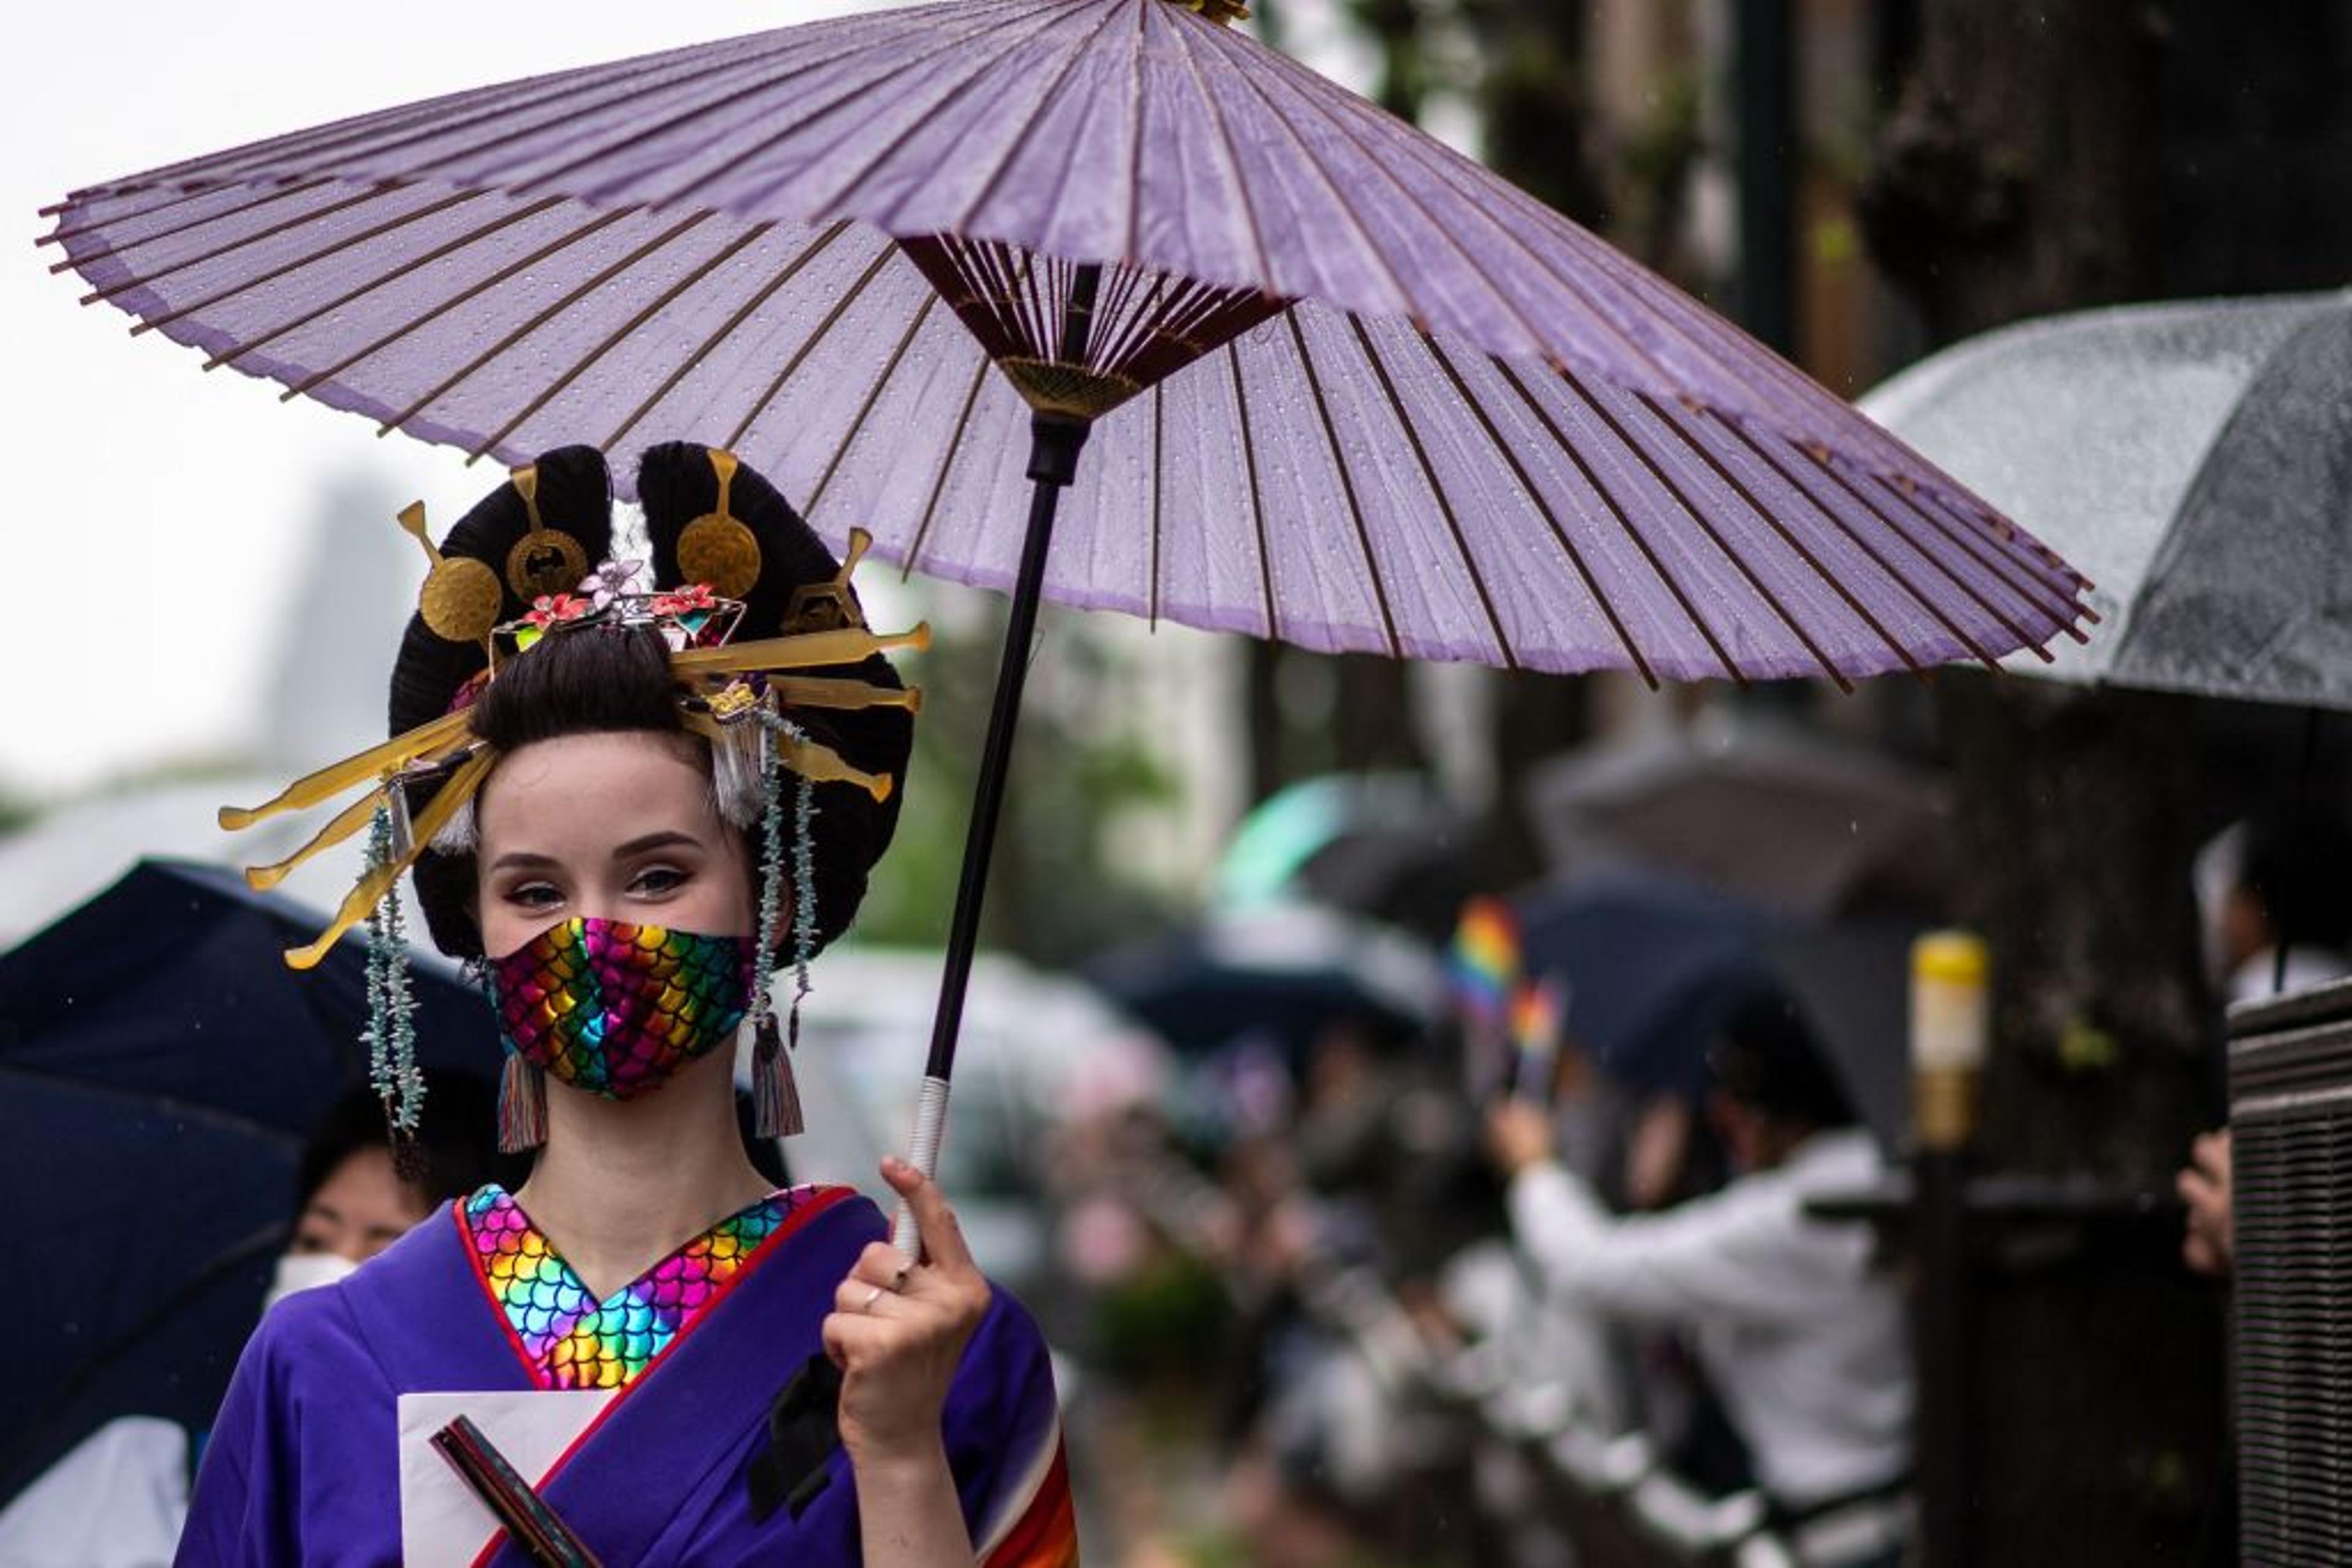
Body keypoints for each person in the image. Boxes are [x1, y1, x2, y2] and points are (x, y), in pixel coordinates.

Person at [176, 445, 1077, 1566]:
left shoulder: (929, 1339)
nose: (593, 937)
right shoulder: (319, 1359)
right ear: (476, 927)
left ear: (771, 890)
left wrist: (896, 1452)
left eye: (657, 876)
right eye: (535, 891)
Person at [1485, 989, 1910, 1568]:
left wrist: (1535, 1167)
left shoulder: (1804, 1212)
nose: (1723, 1115)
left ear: (1785, 1101)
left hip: (1838, 1536)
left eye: (1739, 1092)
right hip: (1867, 1518)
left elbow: (1594, 1270)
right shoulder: (1861, 1172)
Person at [0, 1076, 499, 1568]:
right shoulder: (145, 1472)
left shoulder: (505, 1521)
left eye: (384, 1249)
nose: (330, 1274)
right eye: (314, 1241)